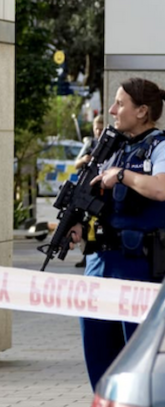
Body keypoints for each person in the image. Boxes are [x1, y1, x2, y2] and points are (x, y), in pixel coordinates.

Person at [69, 78, 165, 390]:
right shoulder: (111, 148)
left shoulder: (160, 146)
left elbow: (161, 188)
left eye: (120, 104)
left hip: (139, 268)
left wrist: (122, 175)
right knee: (99, 364)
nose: (112, 110)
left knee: (139, 371)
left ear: (142, 111)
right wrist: (78, 222)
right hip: (99, 266)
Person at [73, 114, 104, 268]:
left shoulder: (107, 145)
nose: (98, 132)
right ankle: (85, 256)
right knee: (83, 223)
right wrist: (85, 160)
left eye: (100, 128)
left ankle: (94, 253)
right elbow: (76, 164)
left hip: (99, 188)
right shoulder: (90, 144)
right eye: (96, 128)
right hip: (86, 187)